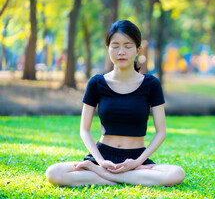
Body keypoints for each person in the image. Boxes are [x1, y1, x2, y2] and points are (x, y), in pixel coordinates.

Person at [46, 20, 185, 187]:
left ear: (138, 50)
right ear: (108, 49)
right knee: (54, 173)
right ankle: (121, 177)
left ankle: (102, 176)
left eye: (127, 46)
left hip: (136, 160)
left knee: (176, 174)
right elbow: (84, 130)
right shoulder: (96, 83)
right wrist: (100, 161)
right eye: (115, 46)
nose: (121, 52)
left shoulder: (151, 84)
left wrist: (137, 163)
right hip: (102, 156)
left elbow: (161, 132)